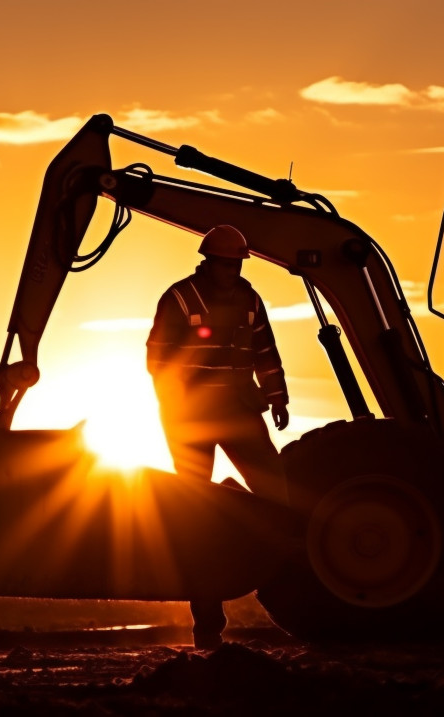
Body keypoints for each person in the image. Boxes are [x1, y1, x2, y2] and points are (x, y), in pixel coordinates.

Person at [145, 224, 290, 649]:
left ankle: (274, 577)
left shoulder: (249, 299)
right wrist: (175, 406)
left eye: (236, 264)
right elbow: (158, 357)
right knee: (195, 515)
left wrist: (277, 397)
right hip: (191, 417)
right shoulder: (180, 297)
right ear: (207, 261)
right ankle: (207, 626)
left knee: (276, 496)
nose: (231, 271)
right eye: (225, 264)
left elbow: (266, 351)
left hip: (241, 411)